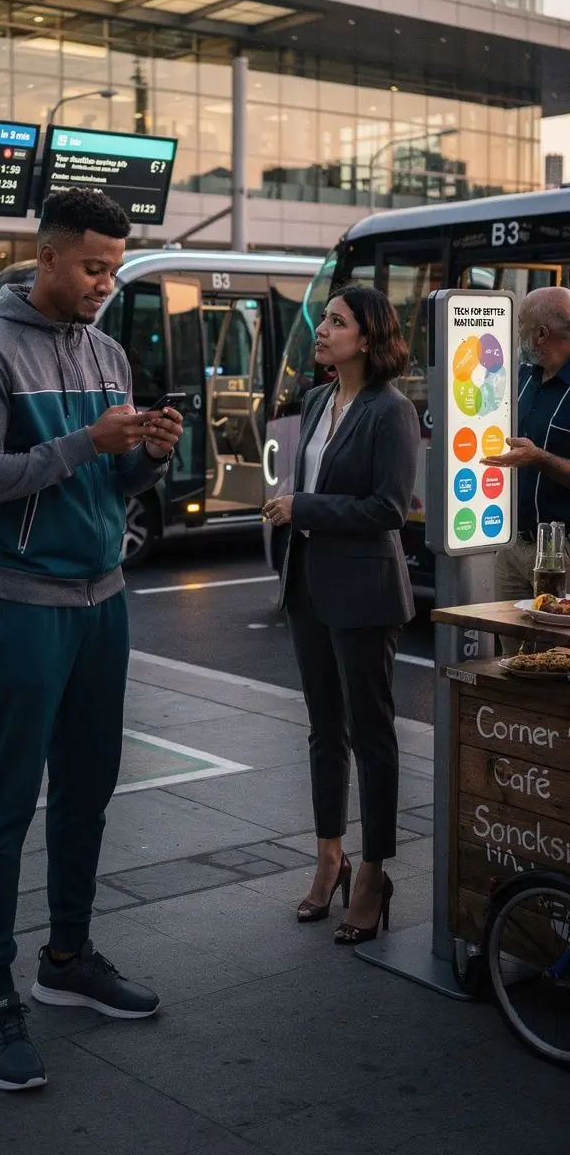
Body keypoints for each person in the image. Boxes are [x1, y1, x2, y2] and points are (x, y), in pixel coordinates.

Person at [0, 188, 183, 1093]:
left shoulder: (108, 351)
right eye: (92, 268)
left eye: (114, 269)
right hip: (24, 603)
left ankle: (68, 958)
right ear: (46, 257)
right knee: (4, 805)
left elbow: (110, 487)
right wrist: (87, 439)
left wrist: (147, 454)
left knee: (88, 791)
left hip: (103, 601)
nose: (105, 284)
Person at [263, 284, 419, 946]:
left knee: (372, 734)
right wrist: (297, 513)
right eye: (323, 319)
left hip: (364, 592)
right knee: (324, 730)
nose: (322, 330)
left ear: (368, 336)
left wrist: (303, 508)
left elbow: (389, 509)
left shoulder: (392, 411)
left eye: (336, 321)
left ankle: (374, 873)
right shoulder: (318, 399)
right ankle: (330, 856)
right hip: (308, 585)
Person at [483, 286, 570, 609]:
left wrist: (538, 458)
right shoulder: (522, 375)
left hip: (561, 550)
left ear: (541, 334)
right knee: (507, 640)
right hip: (512, 544)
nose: (516, 332)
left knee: (554, 640)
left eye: (521, 323)